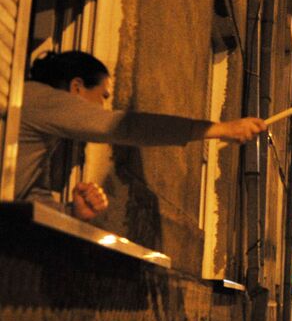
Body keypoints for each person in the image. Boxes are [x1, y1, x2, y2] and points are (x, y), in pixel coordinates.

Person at [16, 50, 265, 218]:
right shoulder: (41, 101)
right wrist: (221, 128)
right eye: (103, 96)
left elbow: (26, 196)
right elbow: (125, 126)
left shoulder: (41, 124)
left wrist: (72, 211)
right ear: (76, 87)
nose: (103, 107)